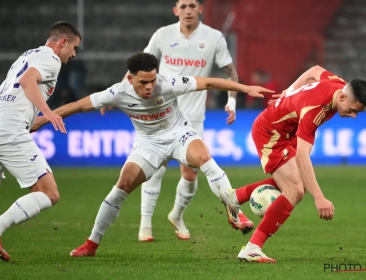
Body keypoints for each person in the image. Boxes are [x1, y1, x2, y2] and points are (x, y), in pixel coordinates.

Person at [31, 52, 272, 257]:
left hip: (179, 134)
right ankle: (91, 243)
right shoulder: (117, 92)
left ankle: (234, 211)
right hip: (148, 144)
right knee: (122, 184)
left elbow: (209, 82)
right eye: (143, 82)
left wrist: (244, 88)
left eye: (152, 81)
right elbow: (79, 105)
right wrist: (44, 118)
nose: (149, 87)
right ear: (129, 78)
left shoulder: (168, 83)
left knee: (204, 156)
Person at [127, 0, 254, 242]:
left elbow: (230, 73)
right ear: (175, 10)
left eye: (192, 5)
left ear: (200, 9)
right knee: (154, 170)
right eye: (183, 6)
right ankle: (145, 226)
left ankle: (176, 215)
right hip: (160, 116)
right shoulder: (162, 35)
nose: (188, 10)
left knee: (191, 175)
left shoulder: (214, 37)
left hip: (192, 119)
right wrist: (118, 96)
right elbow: (138, 68)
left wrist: (232, 101)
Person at [219, 65, 366, 263]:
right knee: (295, 190)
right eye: (352, 110)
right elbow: (302, 157)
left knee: (293, 182)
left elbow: (315, 70)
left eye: (357, 112)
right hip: (271, 133)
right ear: (342, 98)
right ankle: (252, 248)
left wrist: (289, 91)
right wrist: (320, 198)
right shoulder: (315, 109)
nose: (353, 115)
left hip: (286, 130)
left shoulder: (338, 85)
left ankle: (235, 197)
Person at [0, 21, 81, 262]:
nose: (74, 54)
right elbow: (27, 82)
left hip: (5, 120)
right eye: (74, 47)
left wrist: (33, 119)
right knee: (49, 193)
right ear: (62, 42)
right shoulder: (52, 59)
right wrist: (48, 112)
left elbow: (11, 88)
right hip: (10, 129)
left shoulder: (28, 54)